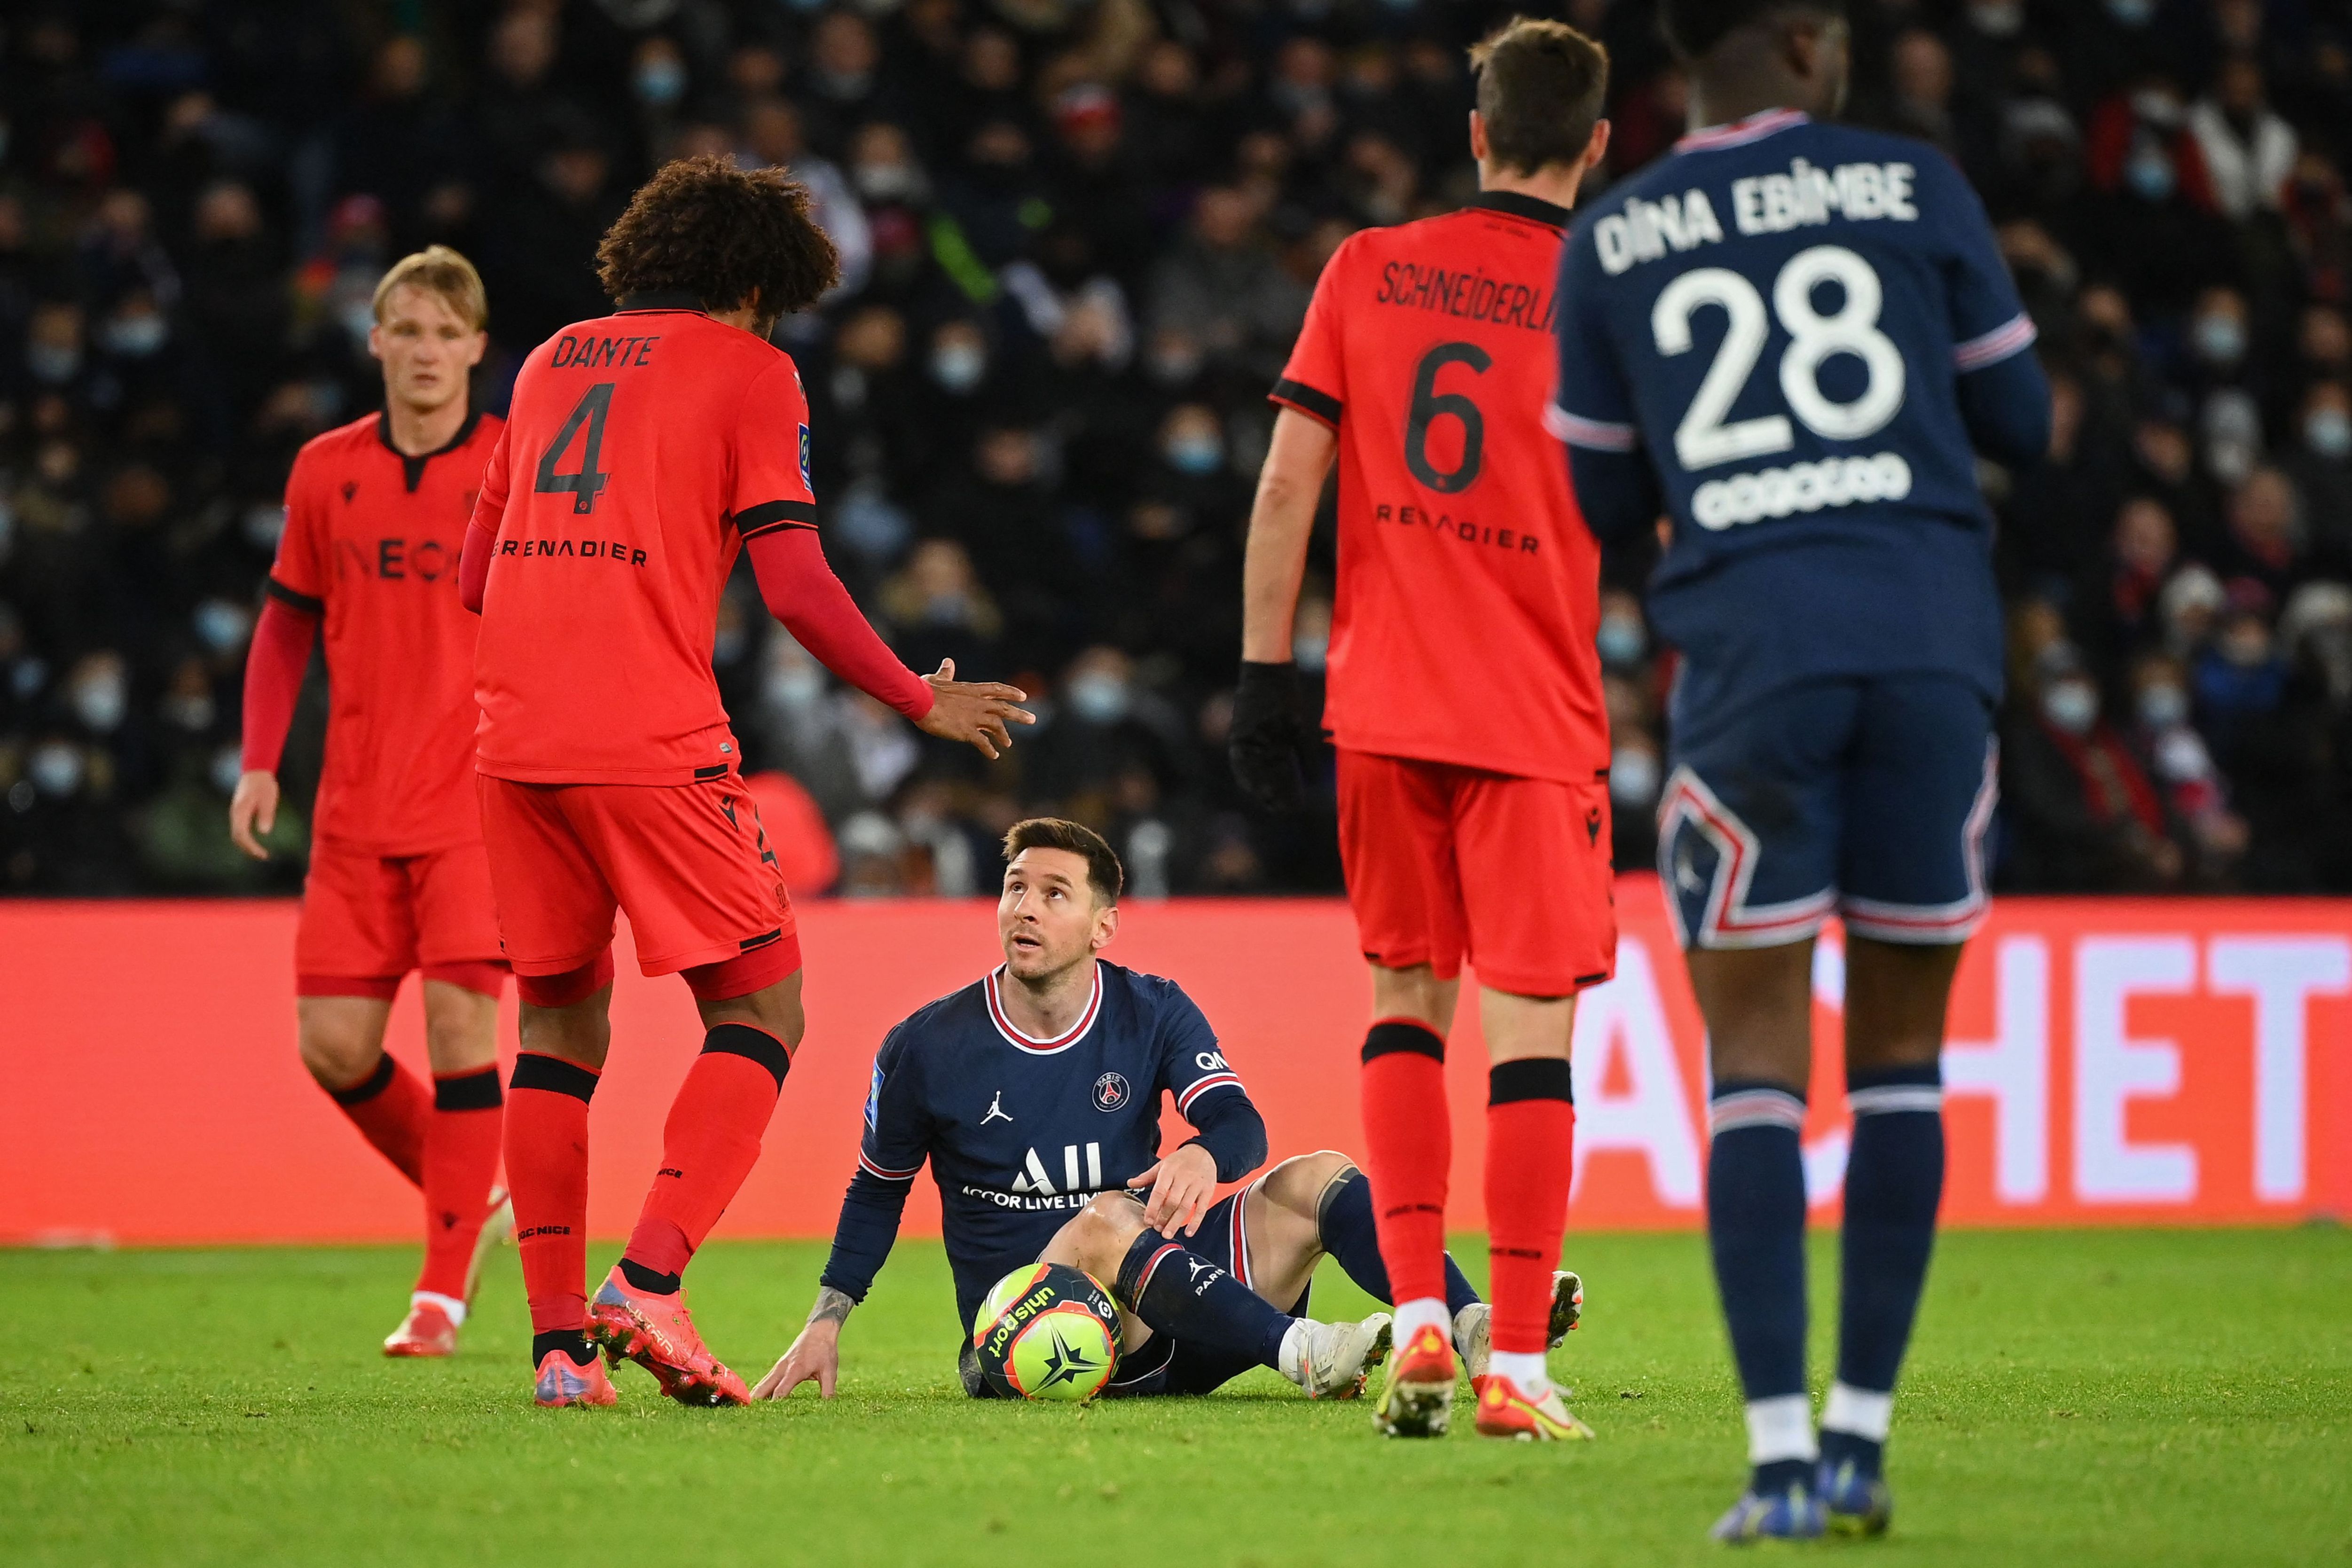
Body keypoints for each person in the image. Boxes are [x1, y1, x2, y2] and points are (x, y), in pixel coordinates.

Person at [1547, 0, 2053, 1541]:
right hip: (1924, 641)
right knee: (1903, 1055)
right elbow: (2020, 418)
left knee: (1753, 1060)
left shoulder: (1617, 232)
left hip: (1752, 657)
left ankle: (1771, 1459)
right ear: (1807, 40)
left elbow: (1599, 488)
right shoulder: (1909, 183)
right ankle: (1860, 1440)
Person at [456, 156, 1032, 1409]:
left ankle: (559, 1355)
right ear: (759, 286)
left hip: (512, 746)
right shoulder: (753, 371)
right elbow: (795, 584)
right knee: (765, 1012)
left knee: (555, 1033)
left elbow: (470, 574)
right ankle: (647, 1283)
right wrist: (918, 698)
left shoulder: (550, 360)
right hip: (650, 741)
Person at [1229, 17, 1616, 1443]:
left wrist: (1264, 680)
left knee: (1403, 1009)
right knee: (1530, 1042)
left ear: (1473, 131)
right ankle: (1509, 1356)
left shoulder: (1367, 268)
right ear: (1594, 145)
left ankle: (1410, 1324)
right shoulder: (1606, 290)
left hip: (1379, 713)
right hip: (1530, 716)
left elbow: (1284, 487)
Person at [750, 819, 1584, 1405]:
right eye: (1015, 889)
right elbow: (877, 1188)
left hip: (1178, 1309)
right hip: (1034, 1332)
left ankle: (1469, 1323)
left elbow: (1239, 1125)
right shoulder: (926, 1046)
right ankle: (1307, 1354)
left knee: (1317, 1177)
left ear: (1103, 925)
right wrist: (827, 1322)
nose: (1026, 909)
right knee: (1103, 1218)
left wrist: (1204, 1158)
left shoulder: (1151, 1010)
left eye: (1054, 893)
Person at [229, 247, 512, 1359]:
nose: (429, 351)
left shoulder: (513, 467)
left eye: (448, 332)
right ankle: (473, 1197)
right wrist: (260, 761)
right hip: (353, 810)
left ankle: (438, 1296)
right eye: (409, 329)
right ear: (377, 341)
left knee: (459, 1031)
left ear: (479, 347)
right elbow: (286, 619)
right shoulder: (324, 471)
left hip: (472, 804)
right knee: (334, 1048)